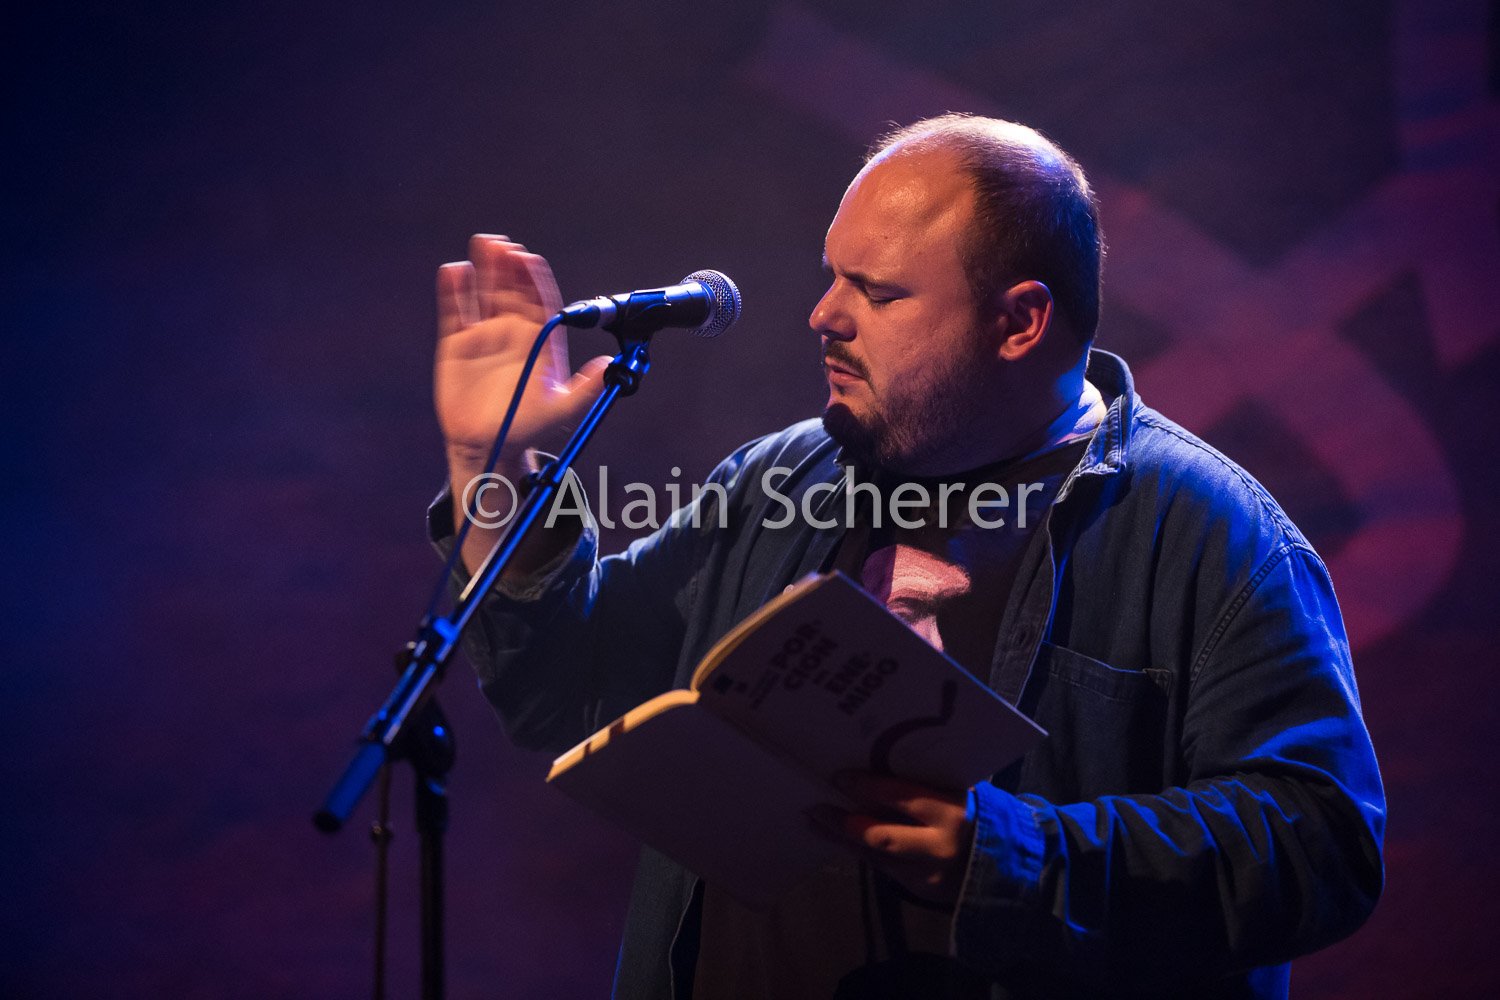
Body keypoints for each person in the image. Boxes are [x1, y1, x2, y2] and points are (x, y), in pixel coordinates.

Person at [428, 115, 1384, 999]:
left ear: (1020, 322)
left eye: (878, 293)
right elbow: (566, 688)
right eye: (834, 275)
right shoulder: (779, 477)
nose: (823, 315)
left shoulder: (1210, 531)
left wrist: (1012, 856)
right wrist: (490, 464)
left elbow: (1321, 846)